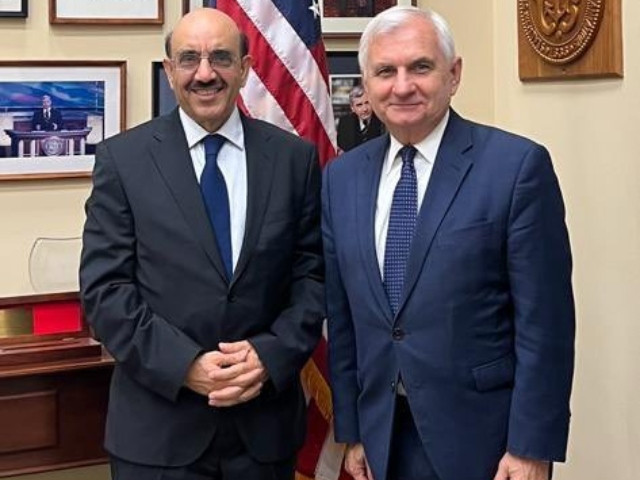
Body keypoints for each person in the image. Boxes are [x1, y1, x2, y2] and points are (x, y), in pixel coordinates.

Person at [323, 6, 574, 480]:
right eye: (385, 71)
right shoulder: (341, 178)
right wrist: (353, 432)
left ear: (453, 74)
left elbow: (546, 326)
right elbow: (344, 321)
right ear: (366, 83)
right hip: (382, 440)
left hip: (485, 443)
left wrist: (530, 447)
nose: (402, 86)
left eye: (420, 67)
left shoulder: (516, 168)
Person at [80, 8, 324, 480]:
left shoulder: (293, 159)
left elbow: (312, 276)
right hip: (158, 433)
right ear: (170, 71)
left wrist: (269, 356)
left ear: (246, 68)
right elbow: (104, 291)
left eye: (220, 58)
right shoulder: (123, 160)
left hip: (264, 432)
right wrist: (185, 365)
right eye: (189, 59)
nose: (205, 73)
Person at [336, 85, 384, 153]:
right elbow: (343, 149)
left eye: (367, 103)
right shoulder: (345, 122)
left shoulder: (382, 120)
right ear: (352, 108)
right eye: (359, 105)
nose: (365, 109)